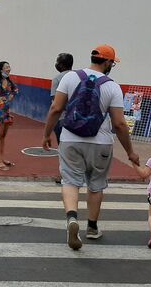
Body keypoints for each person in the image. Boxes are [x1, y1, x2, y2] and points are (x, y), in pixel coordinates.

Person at [43, 45, 139, 250]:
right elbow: (120, 124)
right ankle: (93, 228)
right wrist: (130, 152)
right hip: (101, 142)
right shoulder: (112, 86)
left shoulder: (69, 78)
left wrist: (46, 134)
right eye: (112, 62)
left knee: (70, 180)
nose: (112, 65)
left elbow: (56, 108)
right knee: (96, 185)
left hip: (70, 138)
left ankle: (71, 218)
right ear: (107, 62)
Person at [51, 53, 74, 144]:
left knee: (63, 146)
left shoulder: (57, 78)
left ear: (60, 65)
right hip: (77, 117)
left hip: (62, 118)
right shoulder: (79, 76)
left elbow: (56, 101)